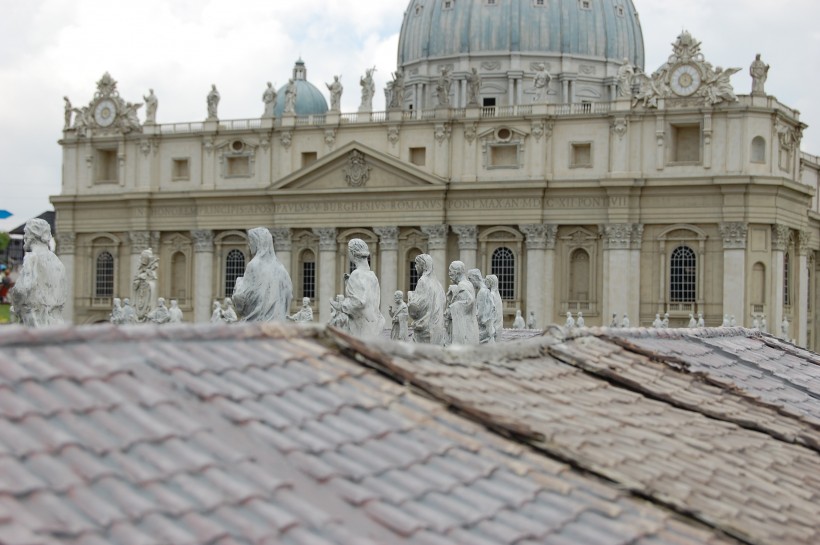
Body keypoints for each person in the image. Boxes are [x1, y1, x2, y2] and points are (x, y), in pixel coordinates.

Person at [9, 218, 67, 327]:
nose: (25, 237)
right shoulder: (58, 262)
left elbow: (22, 290)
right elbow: (63, 294)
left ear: (32, 235)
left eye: (26, 233)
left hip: (36, 320)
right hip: (56, 321)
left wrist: (15, 304)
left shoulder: (32, 258)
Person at [232, 227, 293, 322]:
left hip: (257, 323)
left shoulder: (254, 265)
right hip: (278, 324)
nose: (249, 244)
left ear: (258, 242)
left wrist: (238, 284)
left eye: (251, 241)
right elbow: (289, 295)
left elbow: (243, 301)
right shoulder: (281, 268)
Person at [341, 239, 385, 337]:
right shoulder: (372, 276)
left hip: (360, 327)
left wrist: (342, 305)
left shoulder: (356, 274)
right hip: (373, 324)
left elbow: (359, 302)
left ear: (352, 253)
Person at [408, 254, 446, 345]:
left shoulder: (423, 281)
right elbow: (443, 303)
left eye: (417, 264)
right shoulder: (438, 284)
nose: (415, 266)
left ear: (423, 266)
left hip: (425, 329)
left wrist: (410, 299)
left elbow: (418, 308)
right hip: (438, 327)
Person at [445, 261, 478, 344]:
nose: (449, 274)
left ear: (457, 272)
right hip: (469, 328)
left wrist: (449, 309)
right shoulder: (468, 284)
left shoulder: (462, 285)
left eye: (450, 271)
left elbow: (467, 304)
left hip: (464, 331)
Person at [468, 269, 494, 344]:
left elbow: (481, 315)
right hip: (488, 330)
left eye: (470, 279)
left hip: (484, 333)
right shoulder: (486, 290)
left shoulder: (482, 292)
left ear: (475, 277)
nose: (470, 282)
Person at [485, 275, 503, 342]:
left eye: (486, 281)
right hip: (497, 324)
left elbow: (489, 312)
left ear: (491, 282)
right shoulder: (497, 295)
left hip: (493, 325)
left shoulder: (491, 295)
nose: (485, 283)